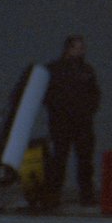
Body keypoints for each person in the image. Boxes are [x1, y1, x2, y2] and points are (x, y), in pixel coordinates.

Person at [42, 34, 101, 208]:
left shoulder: (87, 70)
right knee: (58, 159)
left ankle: (86, 195)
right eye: (78, 47)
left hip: (82, 122)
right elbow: (47, 95)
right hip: (61, 122)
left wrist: (88, 110)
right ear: (69, 48)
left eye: (83, 47)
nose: (82, 50)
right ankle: (53, 195)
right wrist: (59, 110)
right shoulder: (54, 69)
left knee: (85, 160)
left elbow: (95, 94)